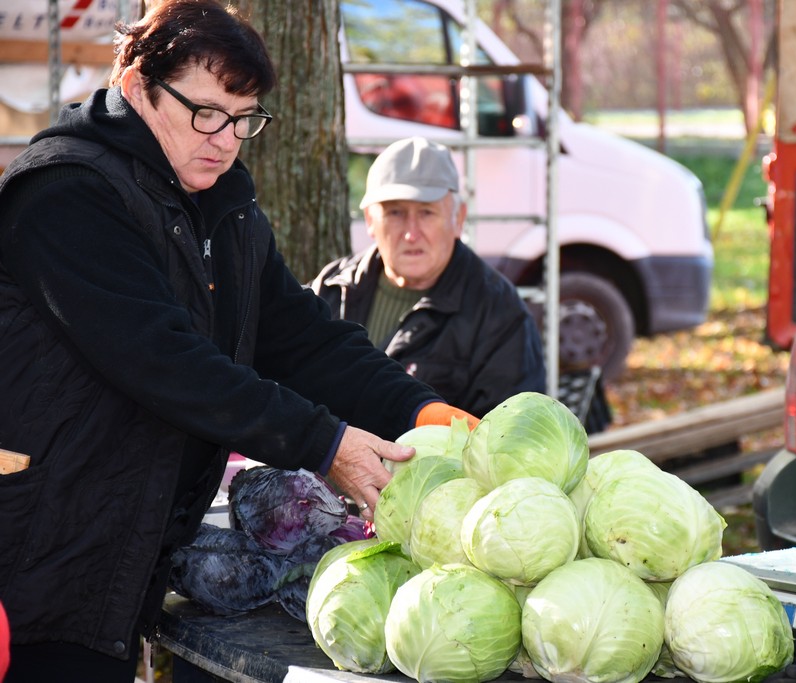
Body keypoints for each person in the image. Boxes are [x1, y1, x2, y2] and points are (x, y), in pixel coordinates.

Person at [0, 2, 474, 681]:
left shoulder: (223, 204)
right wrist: (324, 444)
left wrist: (422, 412)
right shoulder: (65, 194)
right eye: (206, 112)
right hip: (36, 557)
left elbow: (301, 336)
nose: (225, 139)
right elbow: (167, 363)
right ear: (137, 87)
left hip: (117, 549)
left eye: (243, 117)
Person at [310, 137, 546, 416]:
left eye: (426, 213)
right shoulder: (333, 288)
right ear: (371, 220)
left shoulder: (498, 313)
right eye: (395, 213)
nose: (411, 233)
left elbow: (507, 438)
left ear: (458, 218)